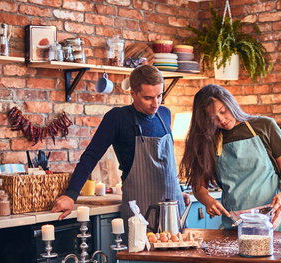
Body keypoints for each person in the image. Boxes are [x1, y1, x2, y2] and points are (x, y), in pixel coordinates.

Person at [52, 65, 189, 238]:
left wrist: (178, 189)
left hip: (173, 209)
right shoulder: (118, 118)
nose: (155, 103)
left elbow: (167, 164)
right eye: (148, 98)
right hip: (140, 212)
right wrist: (71, 195)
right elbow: (91, 156)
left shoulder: (165, 114)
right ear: (133, 93)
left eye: (159, 96)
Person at [179, 84, 281, 230]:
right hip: (236, 221)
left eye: (223, 111)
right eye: (213, 118)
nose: (221, 120)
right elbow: (198, 186)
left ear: (230, 103)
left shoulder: (264, 126)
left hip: (274, 215)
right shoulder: (208, 141)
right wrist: (208, 200)